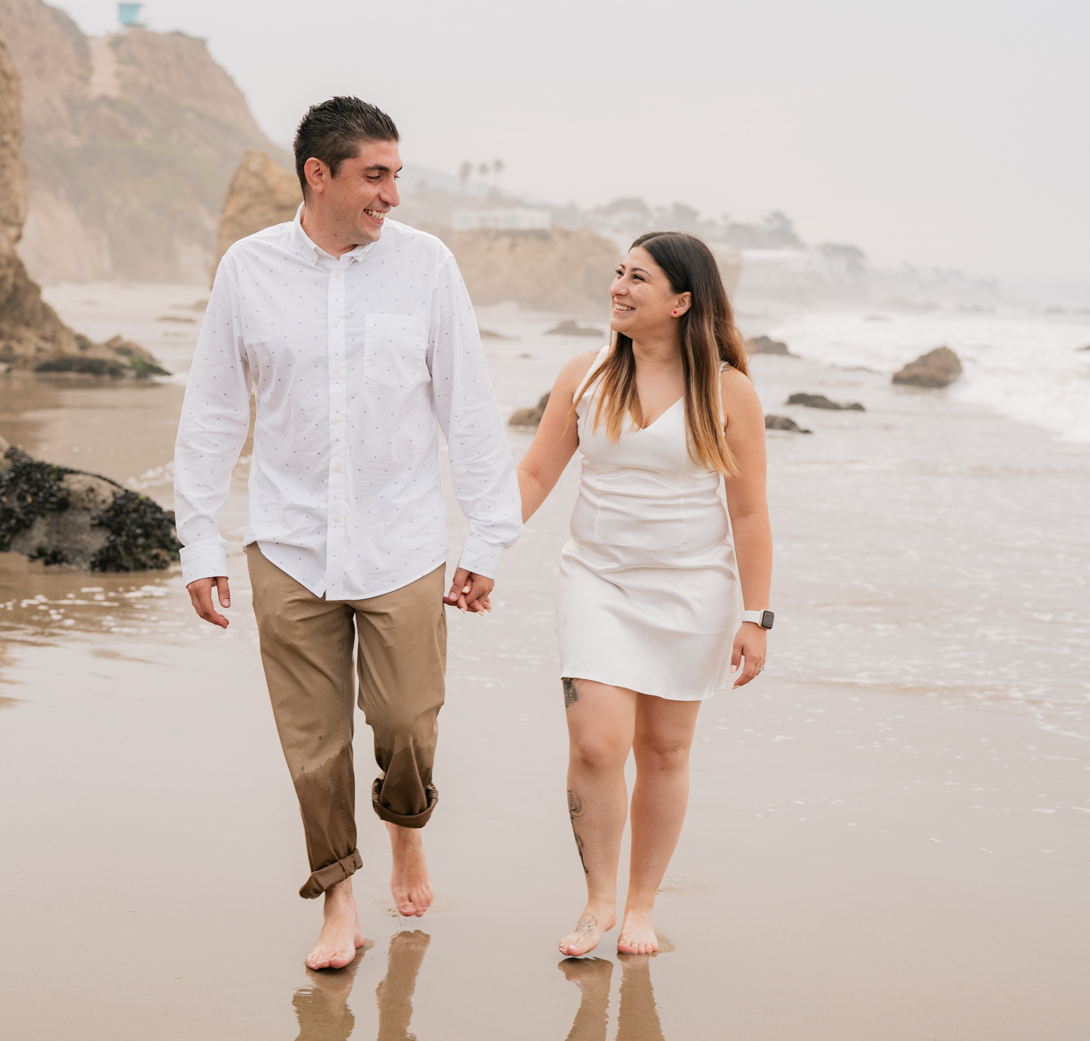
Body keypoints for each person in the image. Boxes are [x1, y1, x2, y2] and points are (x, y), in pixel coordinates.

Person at [173, 96, 521, 970]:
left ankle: (405, 827)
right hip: (285, 542)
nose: (393, 195)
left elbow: (470, 410)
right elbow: (212, 413)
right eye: (376, 176)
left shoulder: (428, 268)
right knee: (312, 743)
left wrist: (488, 539)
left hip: (401, 538)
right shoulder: (247, 271)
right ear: (317, 175)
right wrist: (199, 543)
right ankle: (337, 898)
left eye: (397, 175)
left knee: (406, 722)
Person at [515, 231, 772, 957]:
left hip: (694, 590)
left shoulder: (728, 391)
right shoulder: (586, 373)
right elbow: (535, 475)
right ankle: (598, 898)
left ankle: (641, 906)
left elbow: (749, 512)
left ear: (682, 302)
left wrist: (756, 617)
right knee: (596, 741)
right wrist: (480, 549)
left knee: (664, 749)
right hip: (595, 579)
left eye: (639, 279)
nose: (619, 289)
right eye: (618, 274)